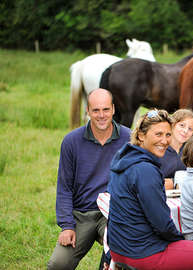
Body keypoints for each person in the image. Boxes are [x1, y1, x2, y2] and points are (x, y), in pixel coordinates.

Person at [106, 109, 193, 270]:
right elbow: (162, 224)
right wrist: (181, 242)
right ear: (141, 136)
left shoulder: (124, 159)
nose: (165, 141)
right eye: (158, 134)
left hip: (120, 249)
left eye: (167, 135)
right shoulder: (145, 170)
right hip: (145, 252)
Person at [47, 89, 131, 270]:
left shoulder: (129, 138)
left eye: (106, 109)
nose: (102, 115)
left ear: (114, 109)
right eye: (96, 110)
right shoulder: (71, 141)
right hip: (81, 214)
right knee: (57, 265)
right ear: (87, 111)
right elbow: (64, 187)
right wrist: (67, 226)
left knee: (127, 258)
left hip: (113, 213)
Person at [160, 109, 193, 189]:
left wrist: (174, 182)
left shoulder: (191, 150)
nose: (185, 131)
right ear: (172, 125)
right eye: (182, 125)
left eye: (190, 129)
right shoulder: (160, 148)